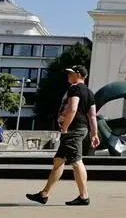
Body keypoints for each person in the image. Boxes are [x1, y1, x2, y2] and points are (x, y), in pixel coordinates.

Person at [26, 66, 99, 206]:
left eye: (70, 73)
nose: (68, 75)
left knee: (77, 161)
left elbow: (72, 108)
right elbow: (92, 115)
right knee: (59, 160)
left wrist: (65, 126)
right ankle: (44, 194)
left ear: (78, 74)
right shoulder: (89, 93)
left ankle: (84, 196)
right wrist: (94, 133)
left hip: (73, 129)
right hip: (81, 128)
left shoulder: (75, 88)